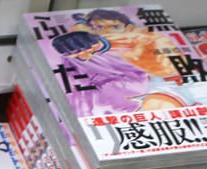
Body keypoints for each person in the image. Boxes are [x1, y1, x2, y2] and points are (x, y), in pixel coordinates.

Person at [50, 31, 180, 115]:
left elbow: (154, 42)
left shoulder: (122, 42)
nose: (83, 55)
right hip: (115, 97)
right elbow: (80, 90)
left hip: (149, 81)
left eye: (87, 50)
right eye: (75, 53)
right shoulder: (71, 62)